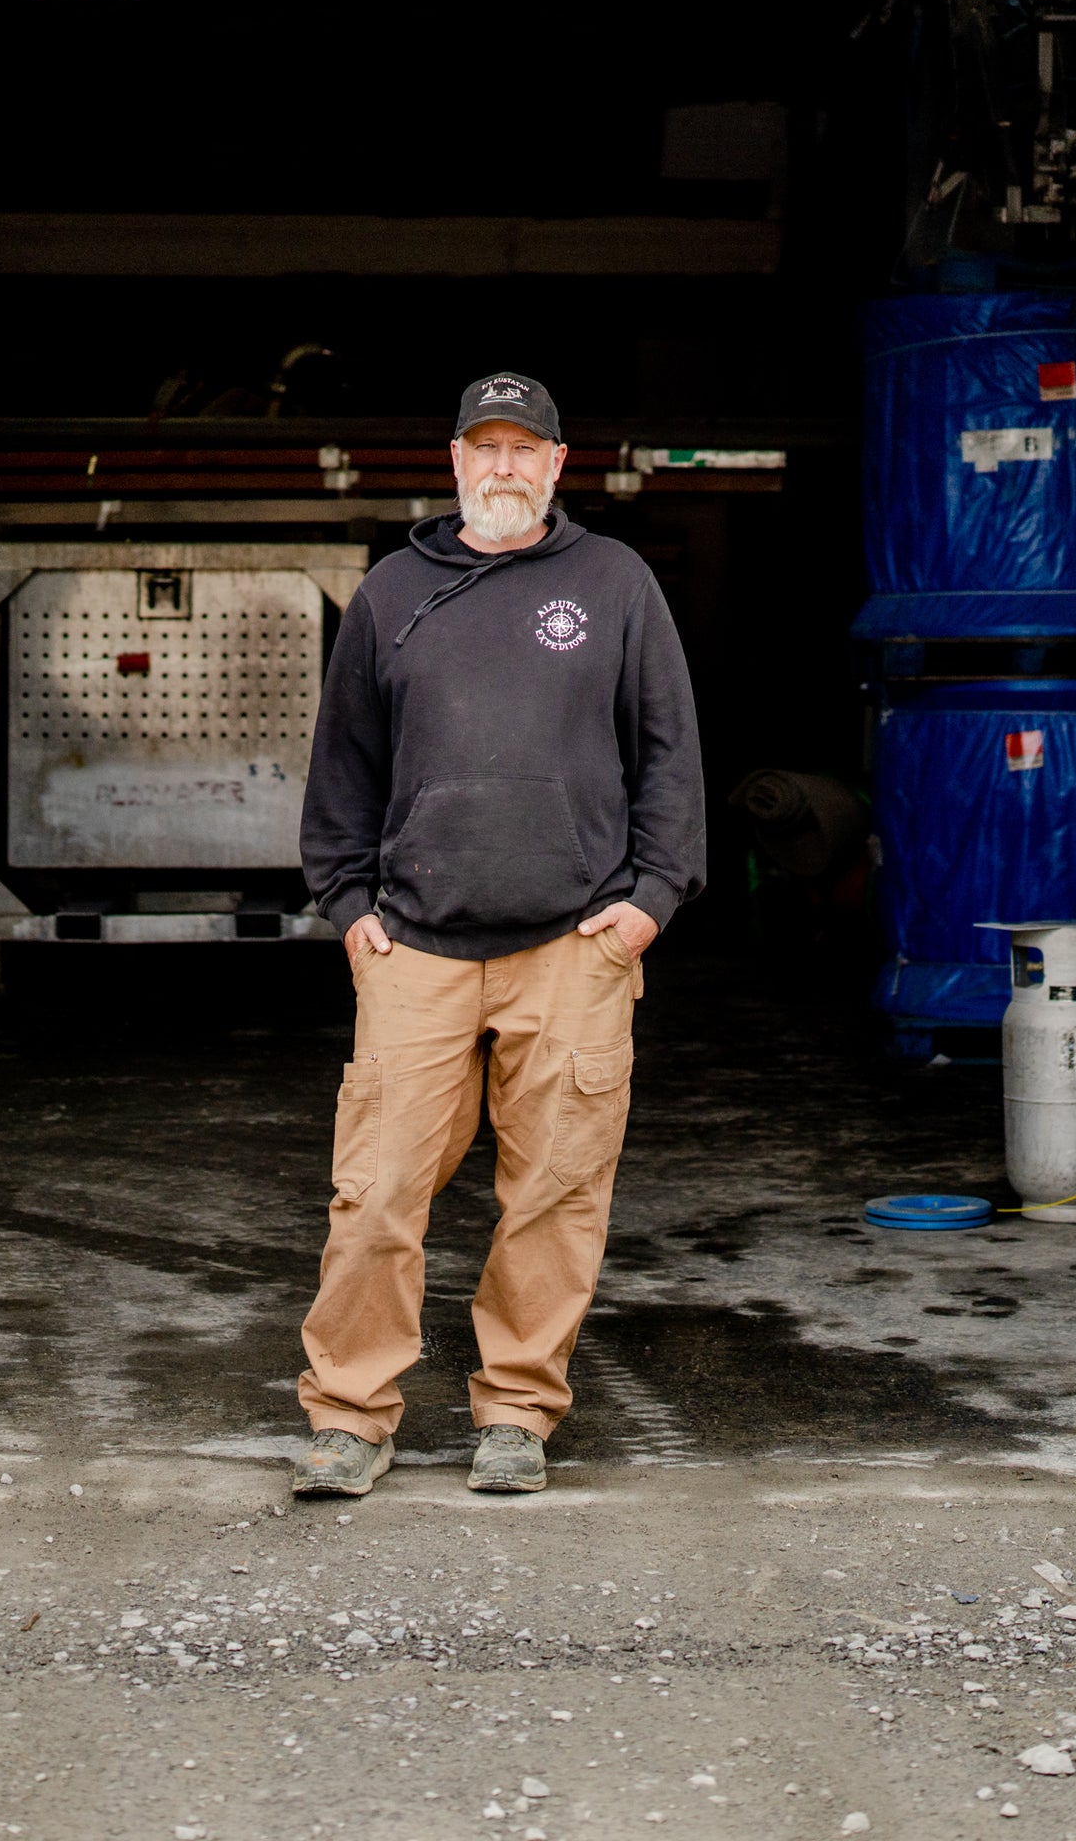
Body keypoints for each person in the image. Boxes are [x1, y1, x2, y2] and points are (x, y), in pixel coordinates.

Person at [287, 372, 706, 1498]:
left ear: (559, 464)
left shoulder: (615, 583)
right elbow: (343, 766)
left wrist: (653, 898)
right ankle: (350, 1418)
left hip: (574, 947)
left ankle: (516, 1413)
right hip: (414, 948)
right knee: (377, 1191)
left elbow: (670, 753)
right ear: (457, 460)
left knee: (556, 1193)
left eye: (527, 448)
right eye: (488, 447)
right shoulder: (392, 592)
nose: (506, 466)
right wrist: (349, 906)